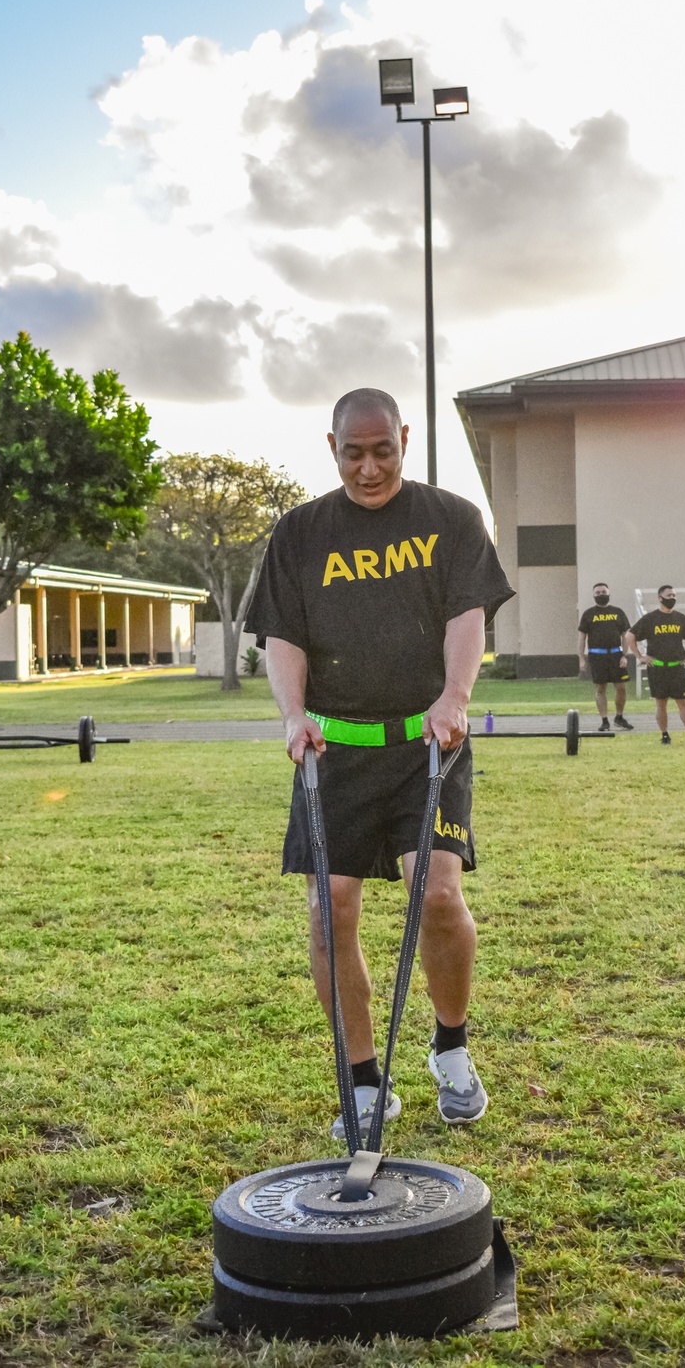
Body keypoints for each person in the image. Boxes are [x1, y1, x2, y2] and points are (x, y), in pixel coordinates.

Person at [246, 387, 514, 1137]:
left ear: (403, 438)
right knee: (330, 908)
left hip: (429, 741)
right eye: (353, 453)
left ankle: (451, 1049)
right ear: (331, 447)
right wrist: (294, 716)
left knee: (435, 895)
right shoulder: (299, 534)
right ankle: (363, 1083)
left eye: (382, 450)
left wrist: (455, 697)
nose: (369, 468)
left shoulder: (450, 519)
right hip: (334, 749)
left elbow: (468, 616)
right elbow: (283, 638)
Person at [626, 585, 685, 744]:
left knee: (683, 702)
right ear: (660, 598)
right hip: (657, 667)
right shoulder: (650, 619)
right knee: (661, 702)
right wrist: (640, 656)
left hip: (676, 667)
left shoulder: (680, 618)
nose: (672, 598)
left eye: (674, 595)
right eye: (668, 595)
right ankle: (665, 735)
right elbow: (630, 636)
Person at [577, 582, 634, 732]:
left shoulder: (618, 612)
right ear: (594, 595)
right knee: (601, 688)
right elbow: (582, 638)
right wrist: (582, 658)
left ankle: (619, 717)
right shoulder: (588, 614)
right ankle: (604, 720)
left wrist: (624, 655)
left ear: (609, 593)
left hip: (616, 655)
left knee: (621, 687)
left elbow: (625, 636)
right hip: (597, 656)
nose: (601, 595)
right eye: (598, 593)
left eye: (603, 592)